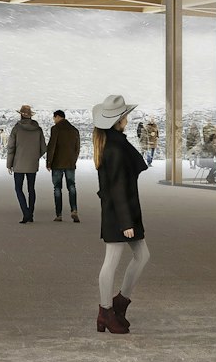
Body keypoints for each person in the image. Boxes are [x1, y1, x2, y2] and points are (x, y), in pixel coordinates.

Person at [86, 94, 148, 337]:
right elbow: (118, 185)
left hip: (122, 210)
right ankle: (106, 310)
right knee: (112, 260)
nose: (127, 119)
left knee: (142, 255)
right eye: (125, 116)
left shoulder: (111, 143)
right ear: (119, 120)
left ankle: (119, 302)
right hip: (120, 213)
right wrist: (125, 222)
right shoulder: (115, 147)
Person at [5, 105, 44, 224]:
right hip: (32, 164)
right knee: (31, 189)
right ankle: (30, 214)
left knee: (18, 188)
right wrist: (34, 157)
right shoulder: (38, 129)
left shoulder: (16, 128)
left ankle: (26, 213)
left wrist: (9, 164)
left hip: (18, 163)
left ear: (20, 114)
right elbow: (43, 148)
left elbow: (11, 147)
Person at [46, 109, 81, 223]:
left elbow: (52, 146)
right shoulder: (74, 130)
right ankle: (74, 210)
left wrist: (49, 162)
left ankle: (59, 214)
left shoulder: (55, 129)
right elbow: (77, 148)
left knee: (57, 188)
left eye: (54, 118)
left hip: (57, 163)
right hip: (70, 163)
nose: (54, 120)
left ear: (57, 117)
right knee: (71, 186)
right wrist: (73, 160)